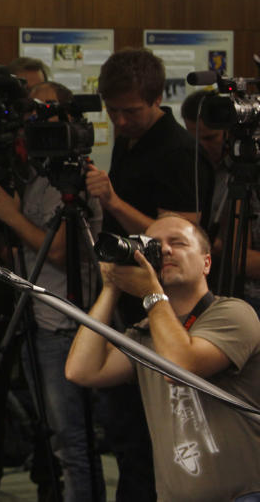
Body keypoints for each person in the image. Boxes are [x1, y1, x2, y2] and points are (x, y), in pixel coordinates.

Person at [84, 48, 214, 501]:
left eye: (131, 111)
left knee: (148, 436)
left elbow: (179, 242)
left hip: (167, 306)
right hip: (129, 295)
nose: (120, 121)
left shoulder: (178, 151)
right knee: (124, 430)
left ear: (157, 98)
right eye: (112, 110)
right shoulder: (130, 138)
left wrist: (114, 203)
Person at [66, 213, 260, 501]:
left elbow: (181, 365)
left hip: (242, 495)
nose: (166, 250)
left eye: (178, 243)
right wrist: (111, 288)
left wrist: (151, 293)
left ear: (206, 262)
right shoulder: (147, 331)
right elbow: (81, 371)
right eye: (154, 245)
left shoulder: (234, 313)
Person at [0, 81, 105, 502]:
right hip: (38, 321)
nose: (38, 128)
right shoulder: (37, 176)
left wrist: (12, 217)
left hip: (66, 326)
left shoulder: (75, 179)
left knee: (72, 444)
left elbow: (62, 254)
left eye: (49, 116)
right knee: (55, 438)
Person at [181, 90, 260, 311]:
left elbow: (239, 257)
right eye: (194, 139)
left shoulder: (245, 173)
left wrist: (218, 247)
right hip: (211, 288)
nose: (201, 147)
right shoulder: (194, 168)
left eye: (209, 138)